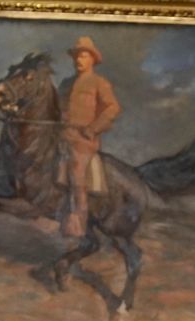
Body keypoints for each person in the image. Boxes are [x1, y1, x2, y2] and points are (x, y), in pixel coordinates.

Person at [59, 35, 120, 238]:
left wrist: (93, 128)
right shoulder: (65, 84)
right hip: (61, 136)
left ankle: (79, 223)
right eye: (77, 56)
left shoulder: (99, 83)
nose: (79, 60)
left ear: (93, 59)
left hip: (83, 141)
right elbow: (57, 109)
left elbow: (113, 108)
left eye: (84, 56)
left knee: (76, 173)